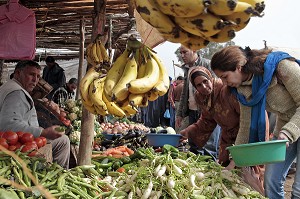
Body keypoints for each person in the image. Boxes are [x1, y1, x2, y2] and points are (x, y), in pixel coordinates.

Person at [210, 45, 300, 199]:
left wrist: (289, 131)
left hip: (290, 128)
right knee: (271, 180)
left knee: (298, 189)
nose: (224, 83)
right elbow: (245, 125)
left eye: (225, 76)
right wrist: (234, 162)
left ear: (238, 67)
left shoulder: (281, 67)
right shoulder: (243, 89)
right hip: (285, 127)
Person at [0, 60, 70, 169]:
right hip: (12, 145)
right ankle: (60, 174)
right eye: (31, 75)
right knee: (63, 141)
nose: (35, 80)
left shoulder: (10, 87)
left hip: (16, 141)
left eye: (38, 76)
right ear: (18, 73)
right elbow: (8, 125)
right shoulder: (16, 93)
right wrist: (43, 132)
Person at [175, 45, 221, 159]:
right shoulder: (187, 69)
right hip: (192, 110)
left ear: (194, 50)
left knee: (210, 144)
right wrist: (180, 114)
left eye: (185, 52)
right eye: (181, 53)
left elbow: (214, 88)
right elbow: (184, 94)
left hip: (210, 110)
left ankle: (211, 167)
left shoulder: (207, 64)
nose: (182, 55)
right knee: (194, 143)